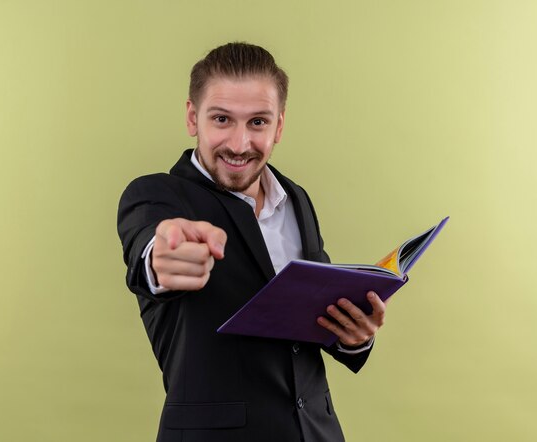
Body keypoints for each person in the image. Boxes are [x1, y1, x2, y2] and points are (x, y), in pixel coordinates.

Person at [117, 42, 387, 442]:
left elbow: (312, 313)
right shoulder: (157, 195)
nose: (240, 144)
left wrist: (354, 336)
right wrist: (161, 259)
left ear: (279, 125)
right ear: (193, 118)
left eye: (258, 122)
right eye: (222, 119)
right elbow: (148, 251)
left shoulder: (296, 199)